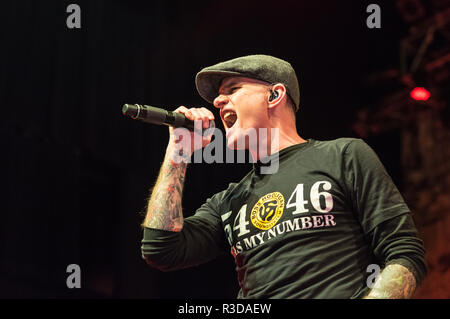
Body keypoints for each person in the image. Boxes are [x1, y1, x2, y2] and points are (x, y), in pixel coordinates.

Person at [140, 54, 427, 298]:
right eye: (219, 94)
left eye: (233, 89)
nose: (218, 101)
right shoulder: (228, 201)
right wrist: (178, 152)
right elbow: (160, 249)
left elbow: (404, 253)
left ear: (275, 95)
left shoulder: (343, 155)